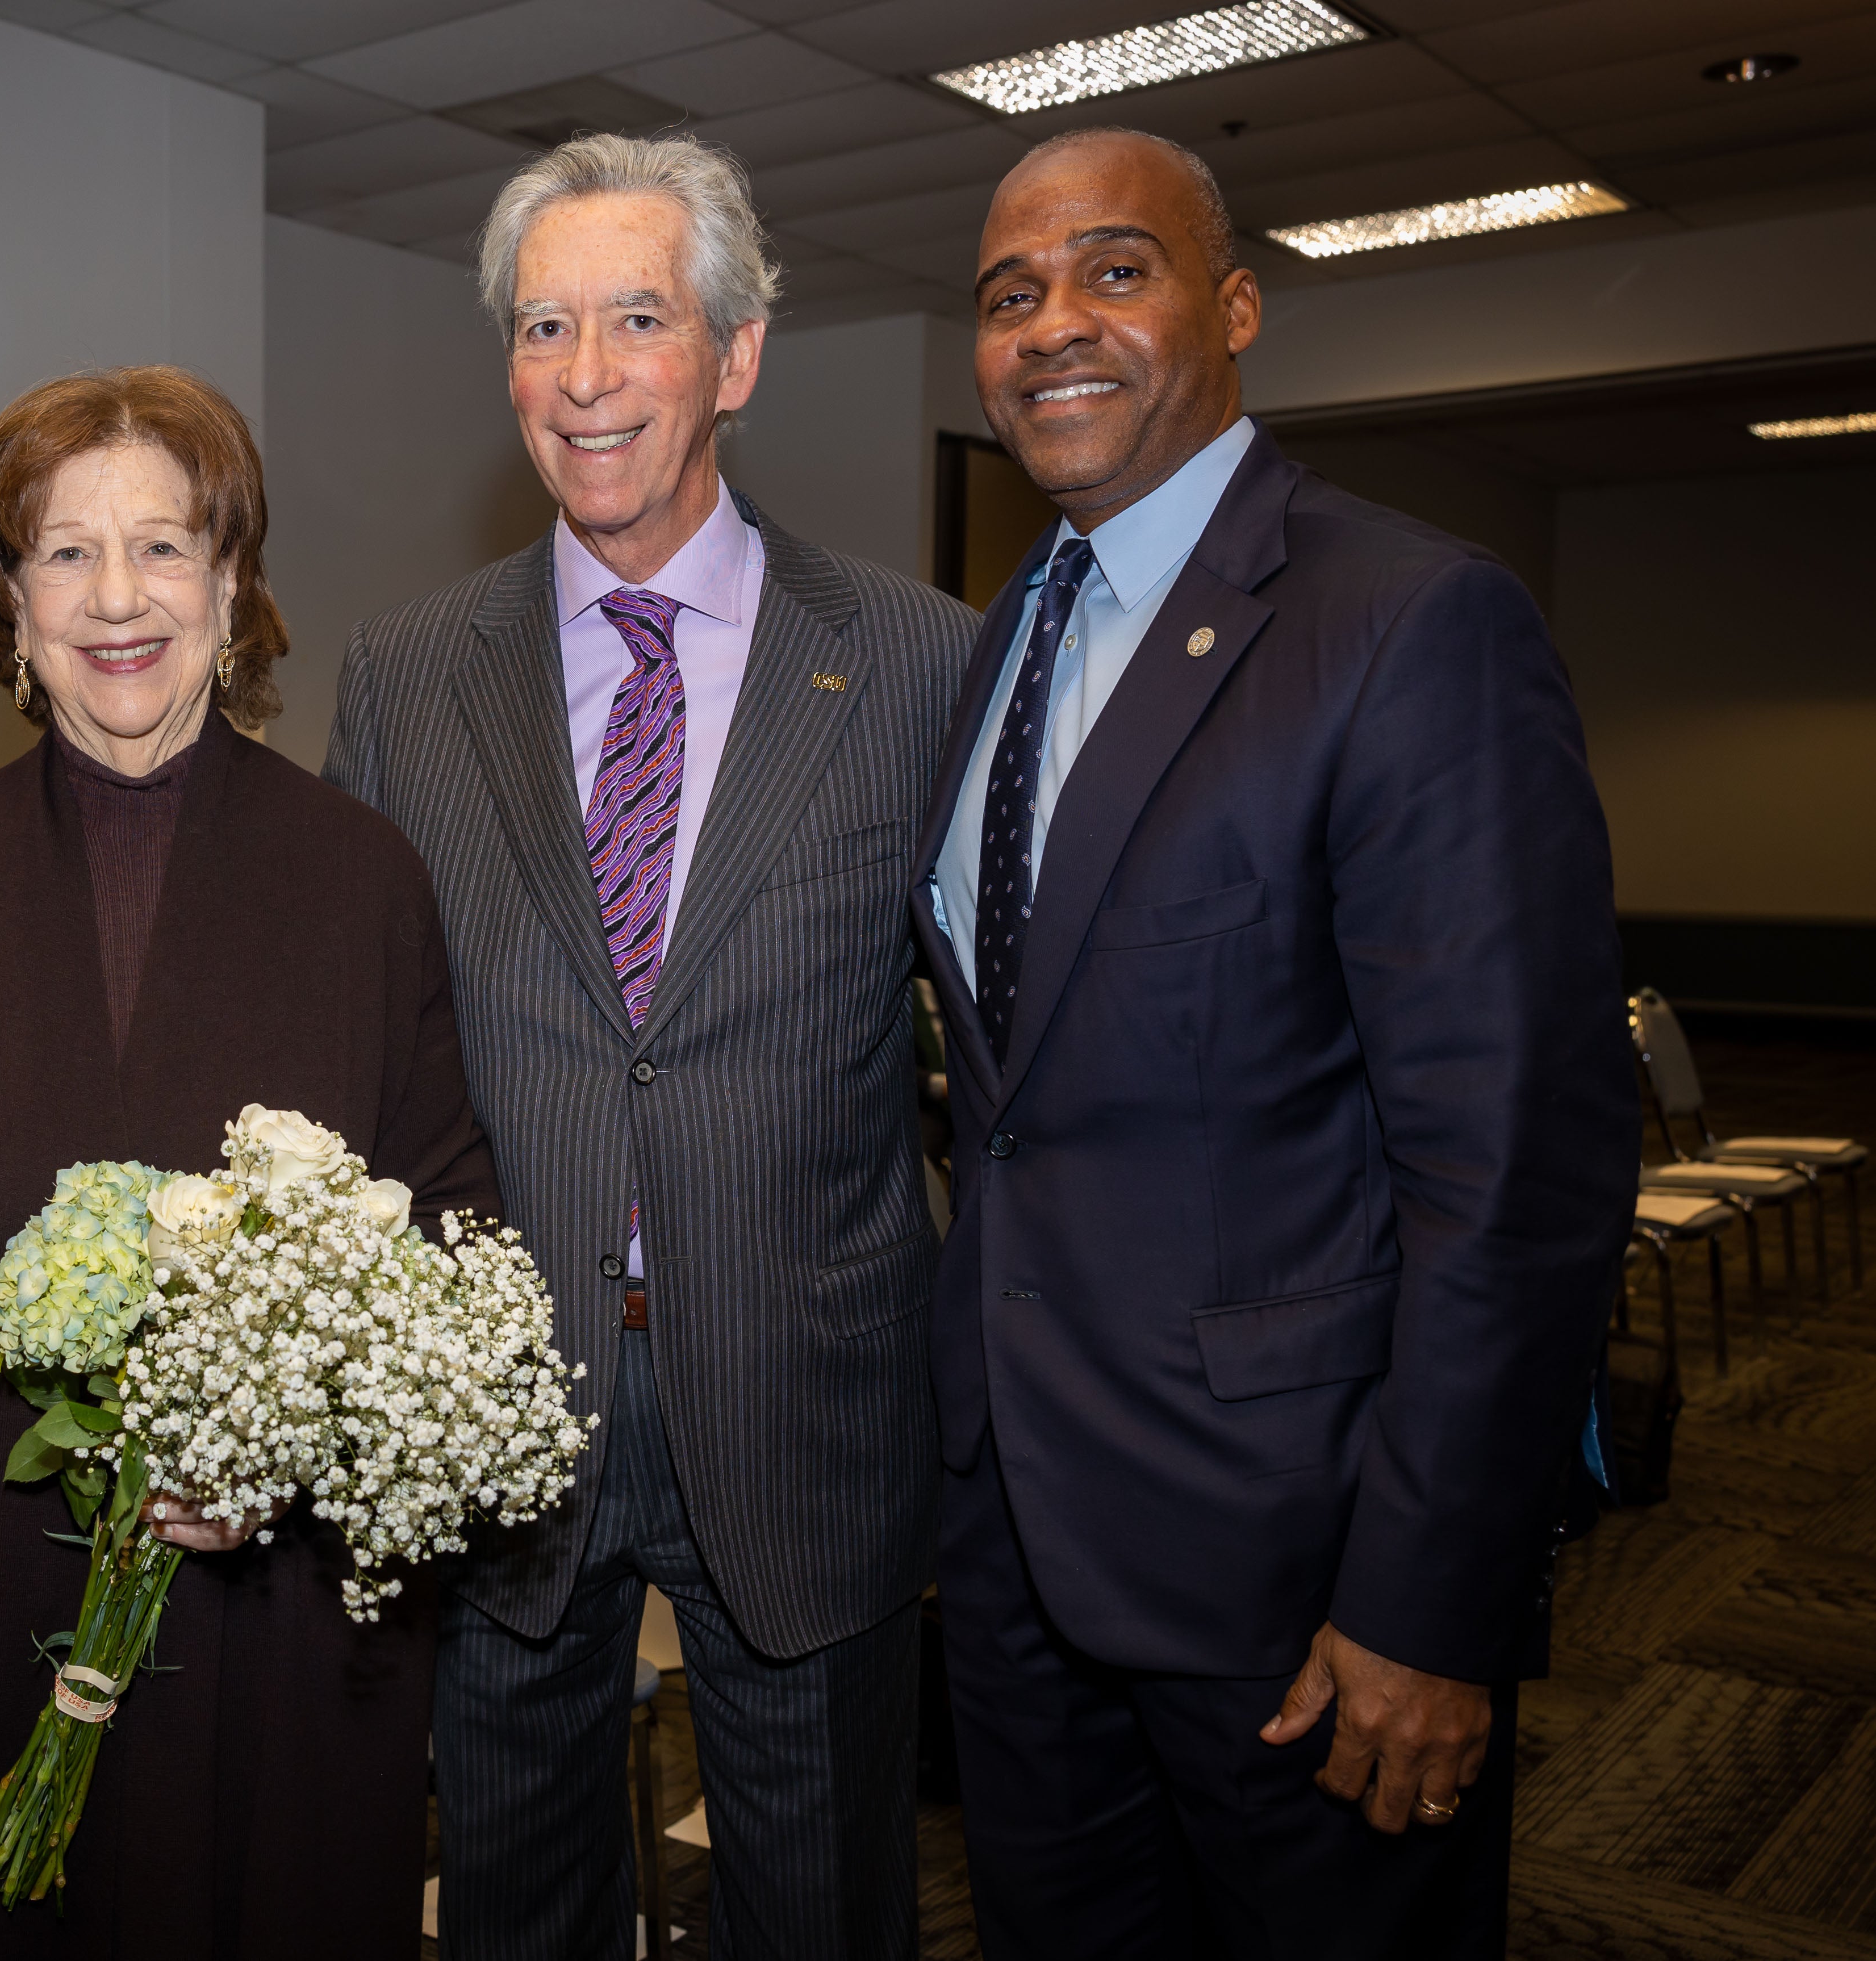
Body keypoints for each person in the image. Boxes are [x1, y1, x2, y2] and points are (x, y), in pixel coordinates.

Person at [910, 128, 1640, 1959]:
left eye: (1111, 271)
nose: (1050, 324)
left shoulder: (1406, 622)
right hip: (1015, 1556)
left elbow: (1517, 1176)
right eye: (1009, 295)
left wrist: (1430, 1601)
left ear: (1231, 309)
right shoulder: (996, 643)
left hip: (1298, 1592)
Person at [324, 133, 976, 1959]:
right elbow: (353, 1043)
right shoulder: (407, 676)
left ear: (737, 356)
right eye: (545, 328)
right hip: (501, 1400)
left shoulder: (917, 664)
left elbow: (1012, 1060)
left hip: (806, 1389)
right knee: (516, 1899)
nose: (587, 374)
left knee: (824, 1901)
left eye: (636, 319)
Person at [0, 365, 499, 1959]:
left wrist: (284, 1454)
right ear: (8, 599)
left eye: (165, 548)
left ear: (234, 580)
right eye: (64, 553)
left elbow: (446, 1225)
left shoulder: (359, 879)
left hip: (274, 1617)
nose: (117, 599)